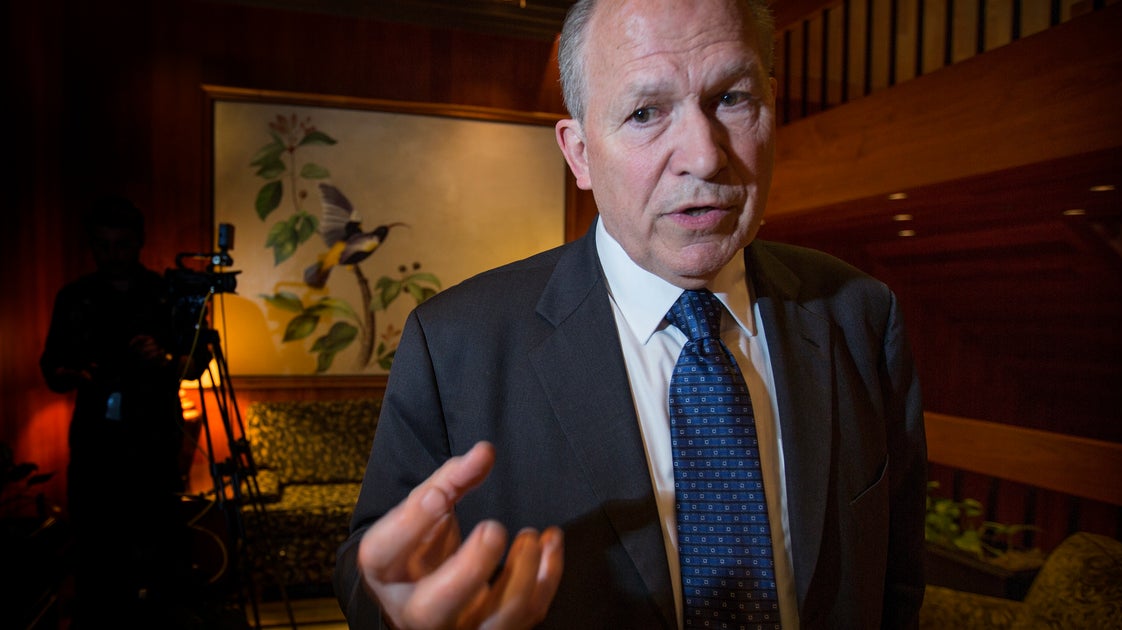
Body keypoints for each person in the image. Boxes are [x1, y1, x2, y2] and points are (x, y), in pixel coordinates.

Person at [333, 0, 927, 627]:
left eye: (731, 99)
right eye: (645, 112)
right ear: (580, 153)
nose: (704, 156)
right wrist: (399, 611)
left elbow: (897, 579)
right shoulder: (454, 343)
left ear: (771, 107)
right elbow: (373, 565)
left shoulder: (861, 314)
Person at [40, 195, 209, 628]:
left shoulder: (164, 296)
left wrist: (164, 359)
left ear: (138, 242)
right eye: (103, 245)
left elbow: (197, 359)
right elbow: (51, 369)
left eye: (122, 244)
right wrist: (84, 371)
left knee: (162, 552)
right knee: (98, 558)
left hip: (154, 442)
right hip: (97, 446)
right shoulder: (75, 298)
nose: (113, 255)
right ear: (92, 245)